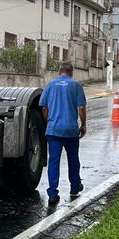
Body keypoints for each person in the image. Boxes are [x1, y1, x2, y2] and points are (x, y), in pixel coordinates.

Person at [39, 61, 86, 205]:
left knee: (54, 161)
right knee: (73, 159)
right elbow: (81, 108)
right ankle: (74, 187)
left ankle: (53, 194)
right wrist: (83, 124)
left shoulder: (50, 85)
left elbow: (44, 107)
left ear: (59, 72)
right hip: (71, 130)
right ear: (71, 72)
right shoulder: (76, 85)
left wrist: (49, 122)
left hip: (53, 130)